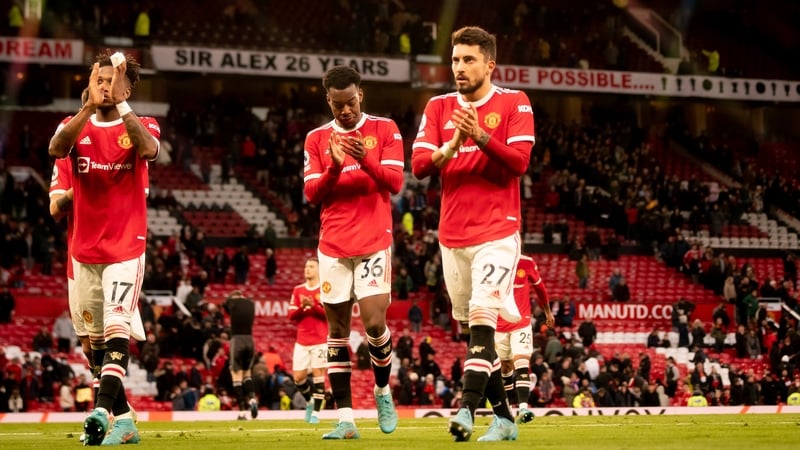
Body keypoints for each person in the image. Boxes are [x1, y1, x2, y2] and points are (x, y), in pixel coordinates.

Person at [411, 26, 534, 442]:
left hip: (498, 231)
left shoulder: (514, 102)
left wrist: (479, 135)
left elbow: (518, 163)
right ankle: (504, 420)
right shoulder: (439, 107)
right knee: (472, 330)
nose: (459, 67)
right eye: (455, 59)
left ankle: (465, 410)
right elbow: (419, 166)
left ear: (489, 64)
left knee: (483, 321)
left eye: (468, 60)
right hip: (452, 236)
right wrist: (449, 147)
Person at [48, 51, 158, 445]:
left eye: (114, 81)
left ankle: (101, 411)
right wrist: (88, 109)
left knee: (116, 329)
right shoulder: (72, 127)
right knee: (93, 346)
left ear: (128, 88)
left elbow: (148, 150)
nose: (106, 86)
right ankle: (125, 419)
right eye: (101, 80)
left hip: (127, 247)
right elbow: (57, 149)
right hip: (83, 252)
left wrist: (119, 105)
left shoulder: (143, 124)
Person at [303, 65, 403, 439]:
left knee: (375, 325)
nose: (344, 111)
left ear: (361, 94)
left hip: (374, 241)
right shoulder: (317, 138)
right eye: (337, 104)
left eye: (350, 102)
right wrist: (333, 168)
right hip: (333, 246)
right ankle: (345, 419)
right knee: (338, 333)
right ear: (327, 99)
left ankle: (381, 390)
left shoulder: (385, 129)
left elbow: (394, 182)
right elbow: (313, 193)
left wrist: (365, 159)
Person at [495, 255, 554, 425]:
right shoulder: (492, 260)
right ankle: (507, 411)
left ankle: (523, 408)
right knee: (504, 369)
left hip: (521, 323)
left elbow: (540, 288)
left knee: (521, 363)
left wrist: (547, 311)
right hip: (498, 326)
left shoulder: (526, 262)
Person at [288, 257, 327, 425]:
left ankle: (316, 413)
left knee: (319, 375)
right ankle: (311, 401)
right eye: (306, 266)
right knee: (298, 377)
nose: (307, 269)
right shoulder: (298, 290)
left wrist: (315, 305)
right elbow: (291, 316)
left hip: (319, 339)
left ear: (318, 270)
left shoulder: (325, 289)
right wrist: (304, 307)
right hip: (302, 341)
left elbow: (328, 315)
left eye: (311, 266)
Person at [223, 290, 258, 420]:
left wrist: (233, 298)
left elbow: (226, 304)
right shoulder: (251, 304)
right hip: (250, 340)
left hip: (237, 339)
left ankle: (242, 411)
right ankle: (252, 399)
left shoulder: (232, 303)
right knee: (247, 374)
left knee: (236, 377)